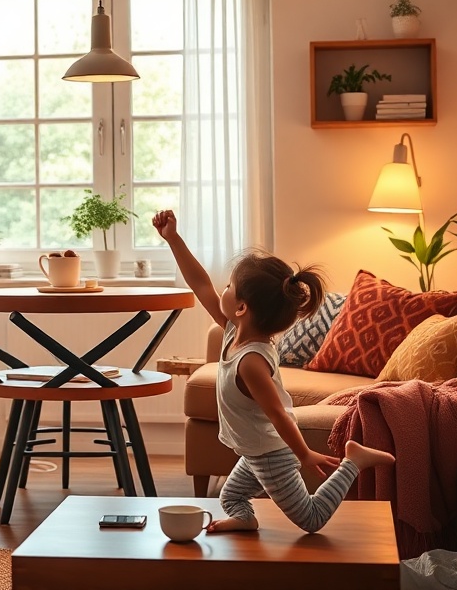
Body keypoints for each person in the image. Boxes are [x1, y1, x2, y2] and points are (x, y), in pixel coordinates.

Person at [152, 209, 393, 534]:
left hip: (272, 453)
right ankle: (245, 519)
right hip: (254, 450)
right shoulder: (231, 330)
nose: (220, 289)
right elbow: (200, 284)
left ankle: (354, 461)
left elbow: (279, 415)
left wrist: (305, 454)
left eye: (229, 286)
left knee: (311, 518)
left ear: (242, 307)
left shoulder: (251, 361)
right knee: (231, 496)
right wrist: (173, 239)